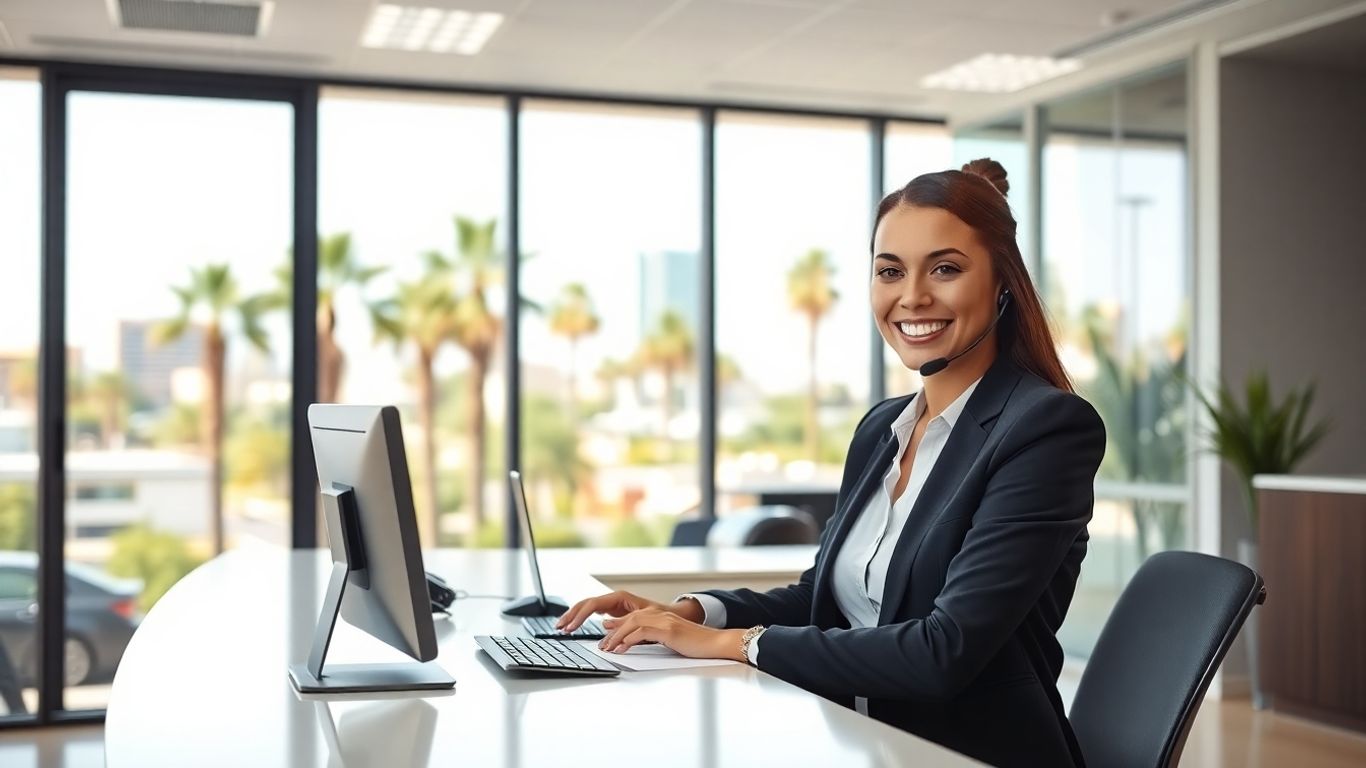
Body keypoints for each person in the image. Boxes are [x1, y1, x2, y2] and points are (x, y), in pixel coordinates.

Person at [558, 158, 1105, 767]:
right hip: (860, 744)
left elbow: (943, 651)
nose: (912, 296)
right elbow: (823, 600)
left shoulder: (1046, 430)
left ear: (1003, 282)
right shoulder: (881, 430)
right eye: (890, 271)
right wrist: (687, 613)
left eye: (945, 269)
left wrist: (730, 642)